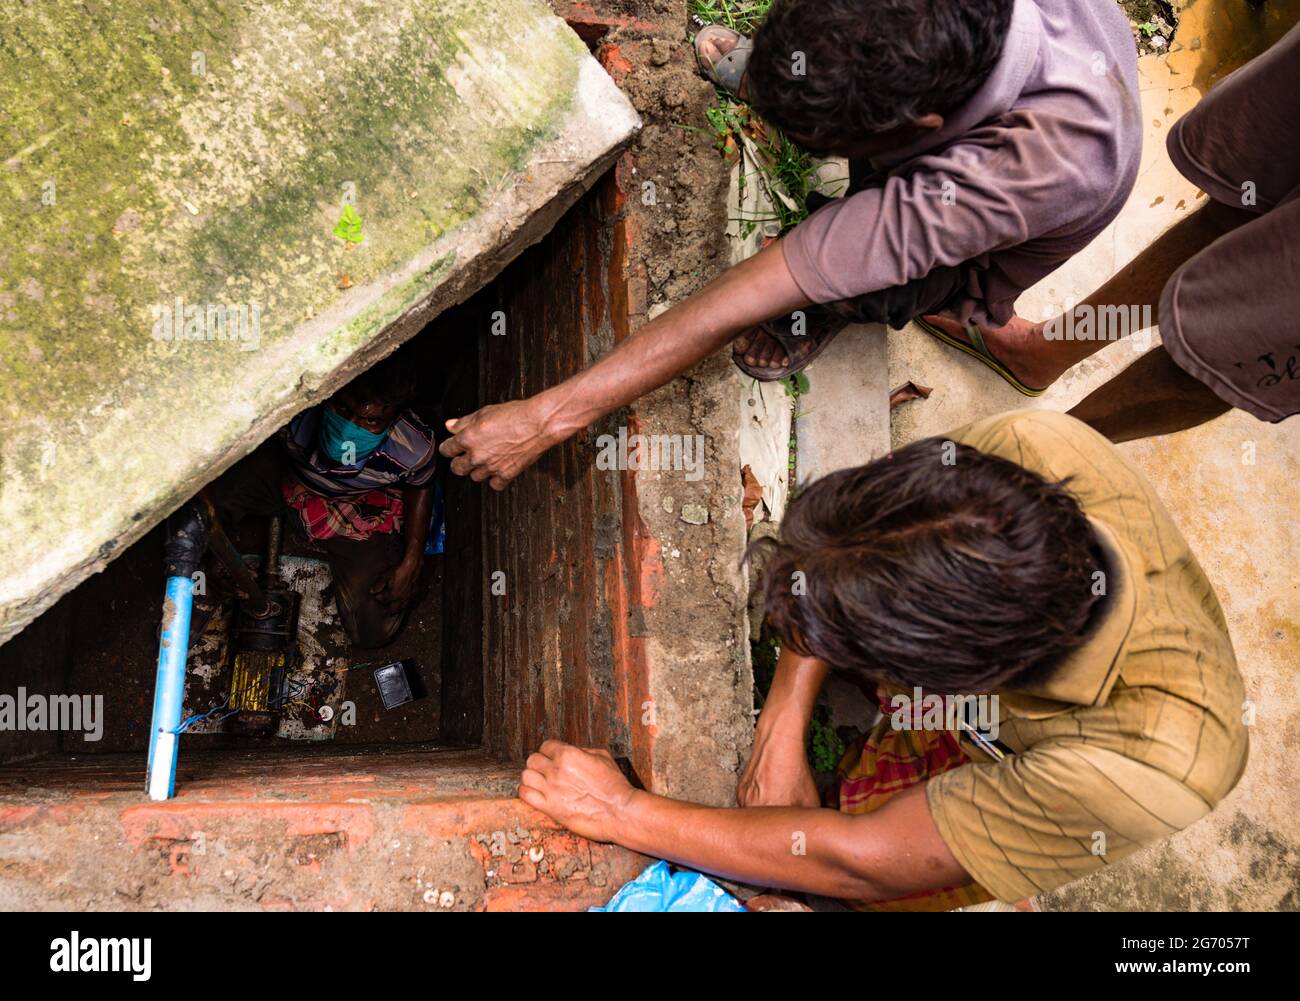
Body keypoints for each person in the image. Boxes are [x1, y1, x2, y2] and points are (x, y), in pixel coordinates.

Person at [517, 411, 1248, 907]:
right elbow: (846, 555)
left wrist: (624, 809)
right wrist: (783, 715)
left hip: (1042, 768)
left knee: (873, 884)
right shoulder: (1027, 450)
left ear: (940, 687)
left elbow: (861, 860)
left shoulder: (1146, 773)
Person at [439, 0, 1143, 487]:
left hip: (977, 249)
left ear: (920, 126)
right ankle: (797, 85)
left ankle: (842, 305)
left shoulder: (1014, 176)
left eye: (821, 138)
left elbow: (741, 297)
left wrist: (547, 416)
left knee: (868, 278)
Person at [212, 356, 438, 648]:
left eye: (369, 420)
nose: (347, 431)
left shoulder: (413, 447)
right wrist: (216, 548)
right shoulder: (295, 410)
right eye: (342, 409)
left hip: (352, 504)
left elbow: (421, 483)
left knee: (374, 627)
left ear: (394, 418)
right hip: (287, 477)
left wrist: (412, 559)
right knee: (216, 498)